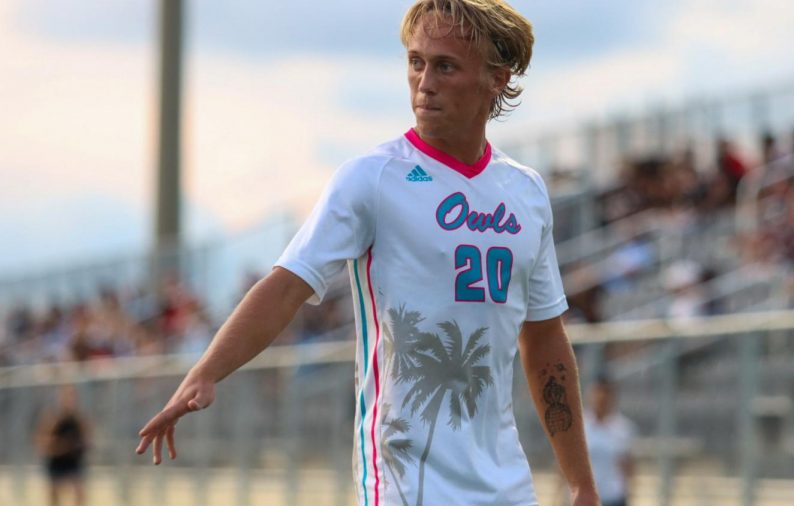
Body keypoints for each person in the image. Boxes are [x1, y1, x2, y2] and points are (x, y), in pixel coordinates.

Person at [135, 2, 600, 505]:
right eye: (415, 62)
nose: (424, 82)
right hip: (403, 486)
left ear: (495, 79)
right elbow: (287, 285)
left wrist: (581, 482)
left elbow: (546, 341)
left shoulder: (526, 192)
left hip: (507, 488)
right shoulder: (372, 179)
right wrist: (205, 372)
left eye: (445, 65)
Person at [35, 385, 91, 506]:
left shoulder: (79, 419)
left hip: (72, 460)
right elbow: (44, 442)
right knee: (53, 492)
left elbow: (87, 439)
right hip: (57, 460)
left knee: (79, 490)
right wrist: (61, 446)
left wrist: (78, 445)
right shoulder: (52, 418)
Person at [584, 374, 636, 506]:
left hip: (612, 496)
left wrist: (630, 492)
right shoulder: (580, 425)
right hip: (585, 497)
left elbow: (627, 463)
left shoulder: (623, 427)